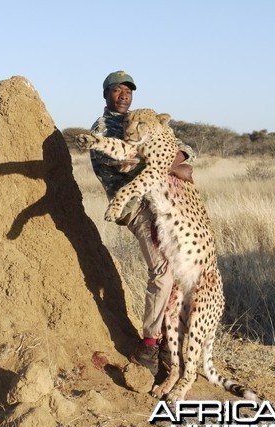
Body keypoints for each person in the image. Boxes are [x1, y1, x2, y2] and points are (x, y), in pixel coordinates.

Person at [89, 70, 195, 375]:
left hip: (159, 204)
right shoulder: (103, 127)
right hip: (133, 206)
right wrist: (176, 168)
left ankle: (167, 343)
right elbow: (124, 161)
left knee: (180, 270)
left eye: (128, 91)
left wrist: (176, 158)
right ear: (106, 94)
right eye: (117, 91)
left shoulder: (140, 118)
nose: (123, 96)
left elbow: (184, 147)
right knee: (162, 271)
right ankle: (149, 346)